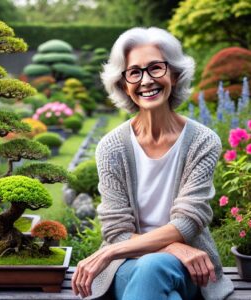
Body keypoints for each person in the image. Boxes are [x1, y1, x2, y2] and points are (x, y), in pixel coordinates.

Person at [71, 27, 234, 300]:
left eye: (156, 68)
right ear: (124, 84)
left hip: (189, 269)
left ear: (174, 74)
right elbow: (117, 230)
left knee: (154, 268)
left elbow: (188, 222)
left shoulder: (203, 141)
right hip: (128, 266)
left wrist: (109, 250)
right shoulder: (111, 147)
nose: (146, 80)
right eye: (134, 72)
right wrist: (173, 247)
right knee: (152, 271)